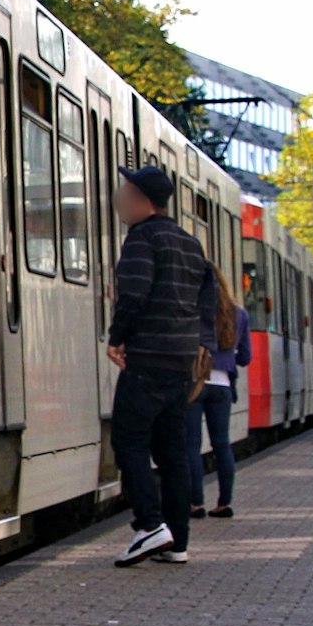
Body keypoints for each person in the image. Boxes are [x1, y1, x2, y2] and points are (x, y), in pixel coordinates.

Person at [106, 165, 215, 567]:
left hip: (147, 358)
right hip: (181, 363)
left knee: (129, 441)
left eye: (124, 190)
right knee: (172, 451)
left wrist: (117, 337)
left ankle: (150, 526)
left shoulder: (142, 238)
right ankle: (178, 540)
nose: (118, 198)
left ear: (138, 197)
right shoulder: (190, 243)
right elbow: (206, 299)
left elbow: (133, 293)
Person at [187, 264, 252, 519]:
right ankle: (224, 503)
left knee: (191, 445)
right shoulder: (239, 314)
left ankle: (196, 504)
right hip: (223, 386)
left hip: (195, 383)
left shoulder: (191, 309)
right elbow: (246, 356)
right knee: (222, 444)